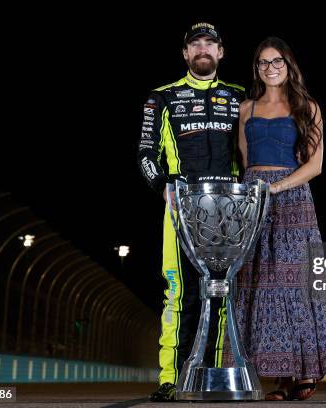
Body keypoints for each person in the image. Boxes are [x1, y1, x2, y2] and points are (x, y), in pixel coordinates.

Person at [223, 37, 326, 401]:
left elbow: (315, 165)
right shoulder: (247, 109)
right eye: (262, 63)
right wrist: (253, 192)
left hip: (292, 199)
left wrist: (276, 188)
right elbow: (246, 162)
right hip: (253, 201)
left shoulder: (307, 106)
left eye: (276, 61)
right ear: (256, 68)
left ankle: (305, 371)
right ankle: (278, 378)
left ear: (289, 65)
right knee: (258, 286)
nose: (270, 68)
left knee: (293, 285)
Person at [137, 22, 245, 402]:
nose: (203, 49)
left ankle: (212, 376)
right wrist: (162, 186)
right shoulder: (161, 97)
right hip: (182, 209)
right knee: (178, 293)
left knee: (220, 294)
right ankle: (170, 378)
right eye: (195, 44)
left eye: (210, 44)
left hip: (230, 213)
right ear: (185, 54)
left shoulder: (240, 97)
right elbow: (145, 154)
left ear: (221, 52)